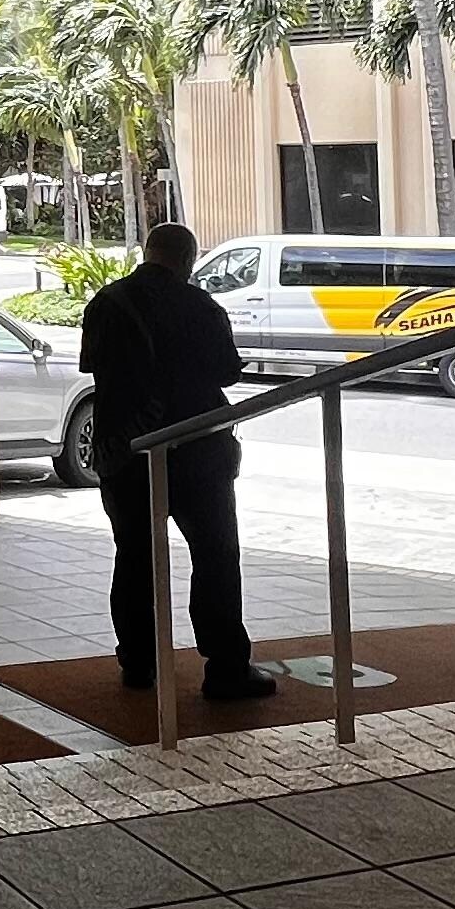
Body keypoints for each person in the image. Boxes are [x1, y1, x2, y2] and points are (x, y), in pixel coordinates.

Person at [76, 222, 275, 700]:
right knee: (214, 554)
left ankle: (138, 661)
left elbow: (93, 367)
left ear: (148, 253)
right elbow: (226, 371)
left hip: (125, 449)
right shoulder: (200, 306)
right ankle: (225, 665)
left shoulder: (106, 303)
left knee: (134, 554)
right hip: (197, 450)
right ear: (187, 260)